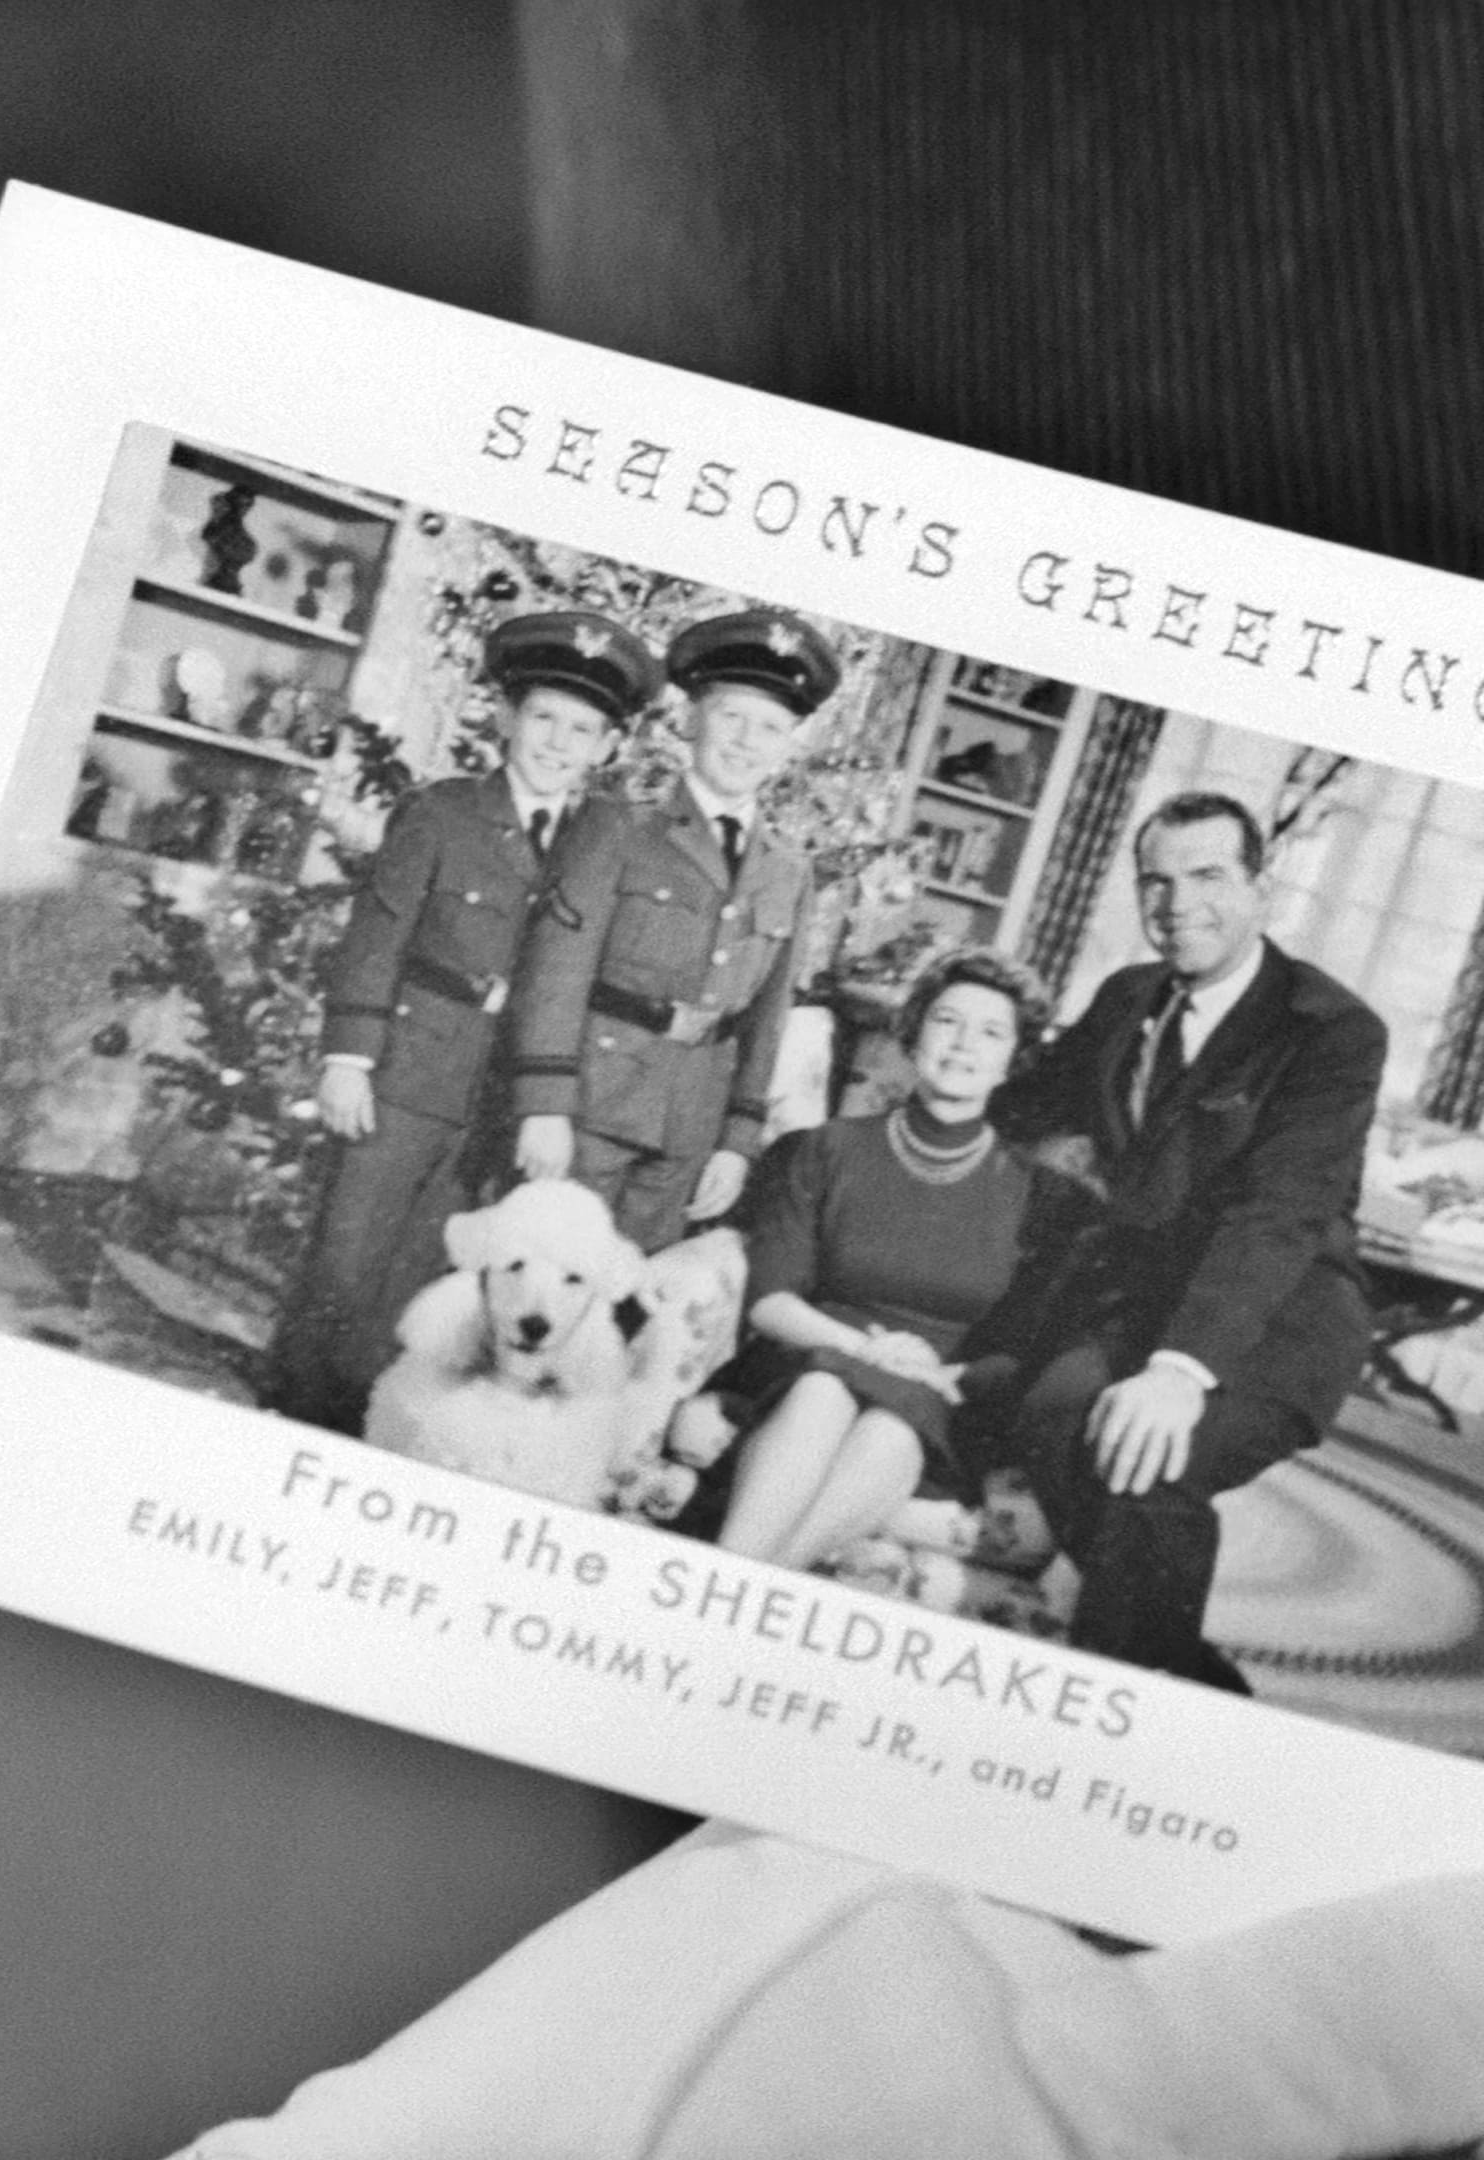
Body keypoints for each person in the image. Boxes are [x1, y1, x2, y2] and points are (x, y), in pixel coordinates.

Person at [969, 792, 1384, 1692]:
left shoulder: (1329, 1030)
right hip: (1137, 1297)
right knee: (1052, 1414)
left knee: (1146, 1464)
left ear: (1262, 889)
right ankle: (1188, 1680)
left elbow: (1279, 1213)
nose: (1177, 904)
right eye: (1156, 881)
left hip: (1281, 1311)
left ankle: (1143, 1701)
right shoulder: (1128, 997)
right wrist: (955, 1075)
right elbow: (1031, 1100)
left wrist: (1179, 1372)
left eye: (1207, 876)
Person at [265, 608, 660, 1431]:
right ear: (507, 718)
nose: (557, 743)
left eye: (582, 731)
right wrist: (347, 1058)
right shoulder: (442, 813)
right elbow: (376, 937)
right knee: (348, 1253)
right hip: (410, 1066)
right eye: (543, 718)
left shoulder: (601, 840)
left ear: (606, 748)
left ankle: (370, 1414)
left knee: (433, 1260)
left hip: (503, 1089)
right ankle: (295, 1410)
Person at [714, 947, 1086, 1572]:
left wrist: (946, 1374)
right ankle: (739, 1572)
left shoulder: (1041, 1196)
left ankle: (751, 1579)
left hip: (935, 1388)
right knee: (821, 1391)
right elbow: (770, 1299)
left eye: (990, 1032)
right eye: (947, 1021)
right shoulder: (824, 1149)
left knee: (891, 1428)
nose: (963, 1044)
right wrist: (864, 1349)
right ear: (912, 1035)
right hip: (813, 1354)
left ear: (1013, 1059)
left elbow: (1023, 1347)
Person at [506, 607, 831, 1253]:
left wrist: (737, 1142)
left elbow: (767, 1021)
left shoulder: (789, 872)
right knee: (547, 1274)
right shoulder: (618, 828)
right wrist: (543, 1105)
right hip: (591, 1105)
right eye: (730, 717)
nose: (746, 742)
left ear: (789, 746)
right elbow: (556, 974)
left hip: (692, 1126)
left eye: (769, 727)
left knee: (635, 1293)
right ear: (690, 720)